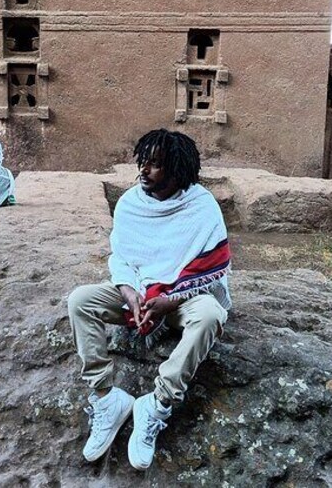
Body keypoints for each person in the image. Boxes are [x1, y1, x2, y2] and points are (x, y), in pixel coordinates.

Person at [67, 129, 230, 470]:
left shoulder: (201, 206)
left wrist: (170, 300)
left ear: (177, 169)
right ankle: (106, 398)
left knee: (211, 315)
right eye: (143, 162)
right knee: (81, 300)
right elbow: (122, 258)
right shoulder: (130, 204)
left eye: (155, 165)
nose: (144, 170)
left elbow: (212, 265)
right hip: (136, 293)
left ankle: (155, 405)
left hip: (184, 297)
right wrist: (129, 293)